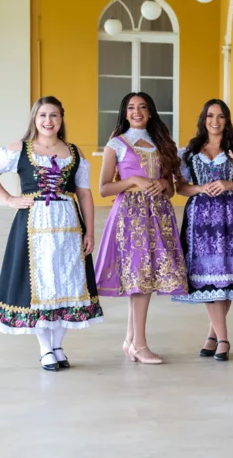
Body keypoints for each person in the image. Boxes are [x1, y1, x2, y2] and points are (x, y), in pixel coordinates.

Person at [0, 96, 103, 371]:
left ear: (62, 119)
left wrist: (90, 231)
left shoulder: (74, 152)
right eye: (43, 116)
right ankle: (45, 348)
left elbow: (84, 193)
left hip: (69, 226)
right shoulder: (20, 149)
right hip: (33, 227)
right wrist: (9, 199)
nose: (48, 121)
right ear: (35, 119)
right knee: (40, 284)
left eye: (54, 116)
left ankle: (58, 344)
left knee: (67, 282)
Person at [95, 92, 187, 365]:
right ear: (125, 113)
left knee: (144, 278)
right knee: (139, 279)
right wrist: (133, 179)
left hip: (159, 215)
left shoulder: (162, 143)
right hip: (130, 218)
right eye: (131, 108)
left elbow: (171, 189)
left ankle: (130, 340)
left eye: (142, 107)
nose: (137, 112)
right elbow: (103, 188)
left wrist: (163, 185)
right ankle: (140, 344)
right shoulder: (117, 144)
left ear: (150, 112)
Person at [173, 99, 233, 362]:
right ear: (203, 119)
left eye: (221, 116)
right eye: (210, 115)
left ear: (227, 120)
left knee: (228, 275)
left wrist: (227, 183)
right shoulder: (189, 151)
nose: (215, 121)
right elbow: (180, 187)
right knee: (210, 274)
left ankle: (214, 335)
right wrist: (201, 188)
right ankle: (222, 338)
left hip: (231, 216)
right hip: (200, 218)